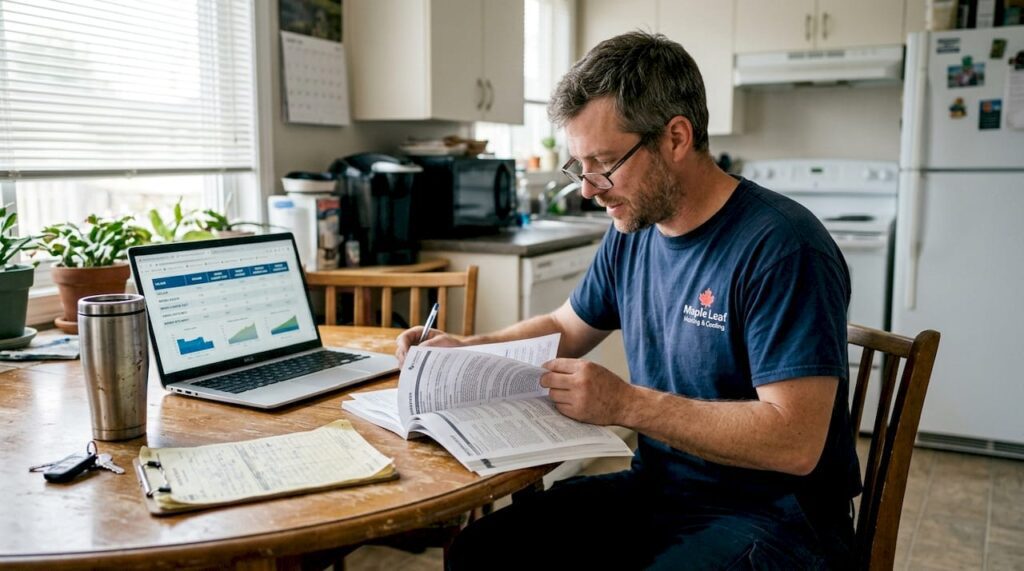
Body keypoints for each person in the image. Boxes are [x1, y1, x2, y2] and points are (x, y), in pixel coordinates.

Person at [396, 31, 860, 570]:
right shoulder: (633, 231)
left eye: (604, 163)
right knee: (483, 551)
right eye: (579, 167)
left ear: (676, 138)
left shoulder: (782, 246)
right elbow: (563, 326)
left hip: (777, 519)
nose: (589, 189)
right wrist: (465, 349)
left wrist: (627, 405)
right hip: (662, 491)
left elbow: (795, 442)